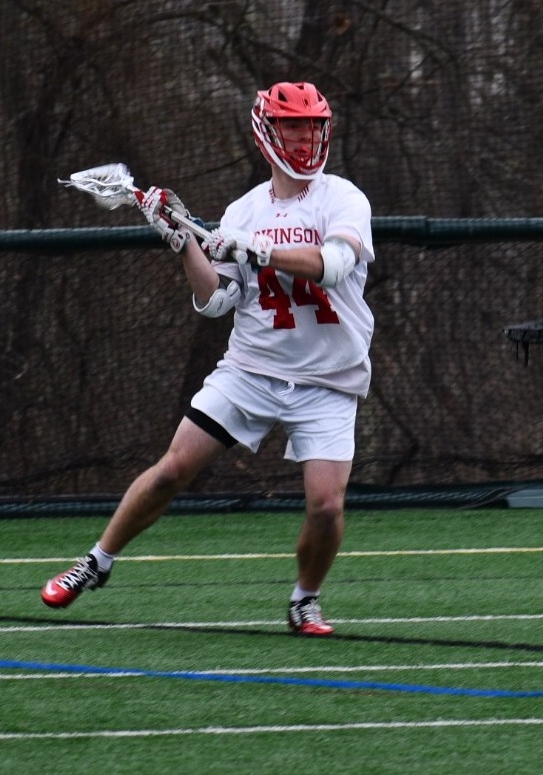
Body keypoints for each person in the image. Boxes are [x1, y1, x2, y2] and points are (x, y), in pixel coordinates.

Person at [42, 81, 375, 637]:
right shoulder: (244, 209)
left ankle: (304, 600)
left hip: (328, 378)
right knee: (173, 469)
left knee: (326, 508)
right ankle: (95, 562)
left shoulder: (342, 197)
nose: (304, 137)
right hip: (251, 368)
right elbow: (217, 300)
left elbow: (335, 265)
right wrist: (184, 243)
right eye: (293, 126)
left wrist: (258, 249)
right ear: (267, 132)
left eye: (312, 127)